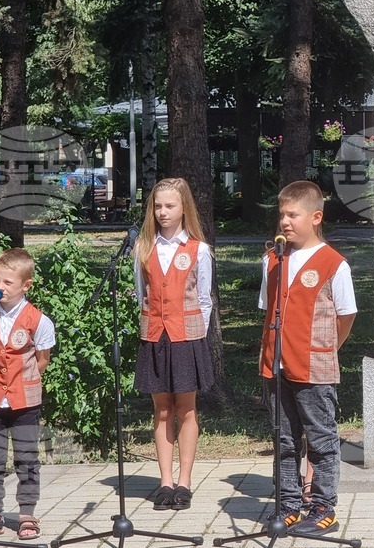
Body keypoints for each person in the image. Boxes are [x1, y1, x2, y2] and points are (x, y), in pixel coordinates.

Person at [258, 181, 357, 536]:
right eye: (281, 214)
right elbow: (268, 310)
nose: (284, 221)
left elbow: (345, 316)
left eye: (292, 214)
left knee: (320, 439)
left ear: (316, 217)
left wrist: (328, 348)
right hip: (276, 363)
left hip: (314, 366)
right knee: (283, 439)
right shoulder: (272, 259)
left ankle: (322, 506)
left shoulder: (334, 264)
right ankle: (288, 505)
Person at [134, 177, 215, 511]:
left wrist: (196, 335)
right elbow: (142, 295)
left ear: (184, 209)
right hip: (155, 335)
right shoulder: (144, 248)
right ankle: (164, 481)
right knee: (162, 409)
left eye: (170, 206)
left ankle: (185, 481)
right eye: (158, 206)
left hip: (187, 337)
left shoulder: (199, 250)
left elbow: (206, 299)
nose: (163, 212)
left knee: (186, 408)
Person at [0, 248, 55, 541]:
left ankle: (27, 513)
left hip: (25, 402)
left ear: (26, 285)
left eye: (8, 282)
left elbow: (42, 359)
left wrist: (24, 382)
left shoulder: (39, 320)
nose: (0, 287)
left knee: (26, 458)